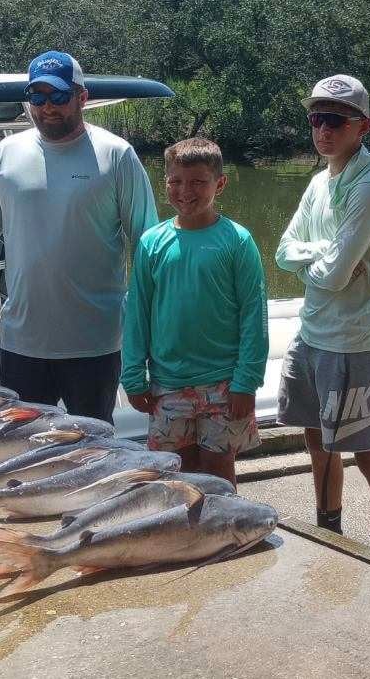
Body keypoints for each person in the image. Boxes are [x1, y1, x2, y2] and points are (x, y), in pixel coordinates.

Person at [0, 50, 158, 423]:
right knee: (25, 450)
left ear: (82, 97)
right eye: (38, 97)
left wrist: (146, 328)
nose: (48, 107)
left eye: (59, 96)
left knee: (94, 448)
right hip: (21, 342)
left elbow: (148, 247)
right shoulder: (5, 155)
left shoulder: (117, 155)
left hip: (95, 344)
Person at [275, 74, 370, 559]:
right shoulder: (318, 181)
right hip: (311, 334)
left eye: (334, 119)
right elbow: (283, 253)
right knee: (317, 442)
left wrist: (328, 263)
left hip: (353, 339)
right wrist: (327, 255)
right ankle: (329, 531)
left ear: (362, 126)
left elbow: (331, 276)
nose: (323, 129)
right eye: (316, 119)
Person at [120, 138, 268, 487]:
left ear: (220, 184)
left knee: (219, 471)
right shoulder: (151, 242)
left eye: (198, 182)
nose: (186, 191)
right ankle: (187, 538)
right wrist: (132, 374)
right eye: (176, 181)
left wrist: (247, 381)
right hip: (167, 383)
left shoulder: (237, 240)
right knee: (177, 473)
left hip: (224, 383)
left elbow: (253, 316)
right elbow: (137, 313)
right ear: (166, 182)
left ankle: (228, 533)